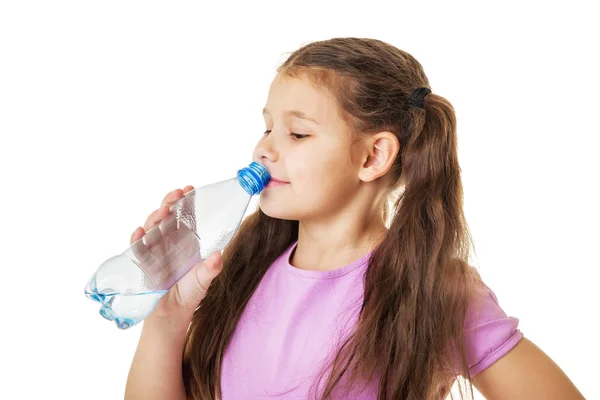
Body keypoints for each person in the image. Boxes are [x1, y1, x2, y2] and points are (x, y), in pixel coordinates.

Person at [124, 37, 584, 399]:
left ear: (373, 156)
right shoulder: (241, 268)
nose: (264, 148)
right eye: (267, 127)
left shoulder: (432, 291)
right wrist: (166, 318)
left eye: (297, 133)